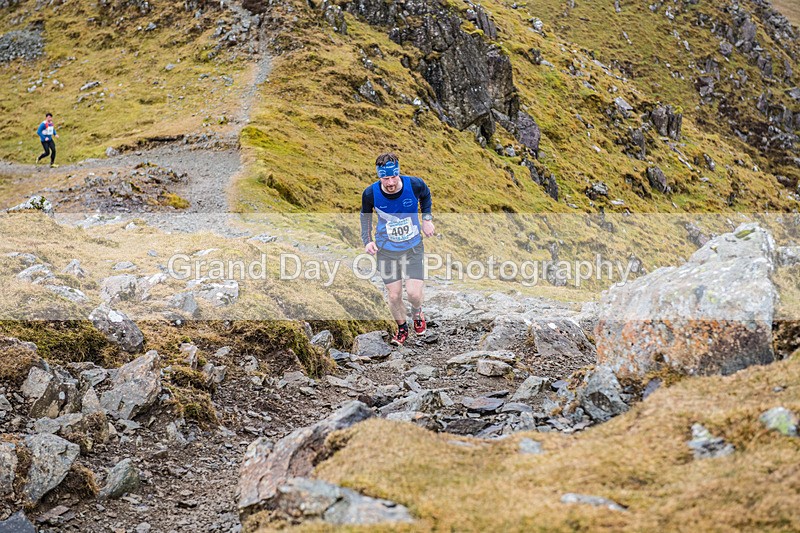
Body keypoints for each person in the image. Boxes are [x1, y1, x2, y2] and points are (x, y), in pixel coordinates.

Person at [361, 152, 435, 346]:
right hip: (386, 249)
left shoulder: (415, 184)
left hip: (413, 248)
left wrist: (426, 219)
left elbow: (426, 196)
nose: (391, 182)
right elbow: (365, 217)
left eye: (393, 176)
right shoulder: (370, 193)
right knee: (394, 295)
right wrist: (367, 241)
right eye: (385, 178)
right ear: (379, 177)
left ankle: (417, 311)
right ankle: (402, 329)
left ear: (398, 173)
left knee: (413, 294)